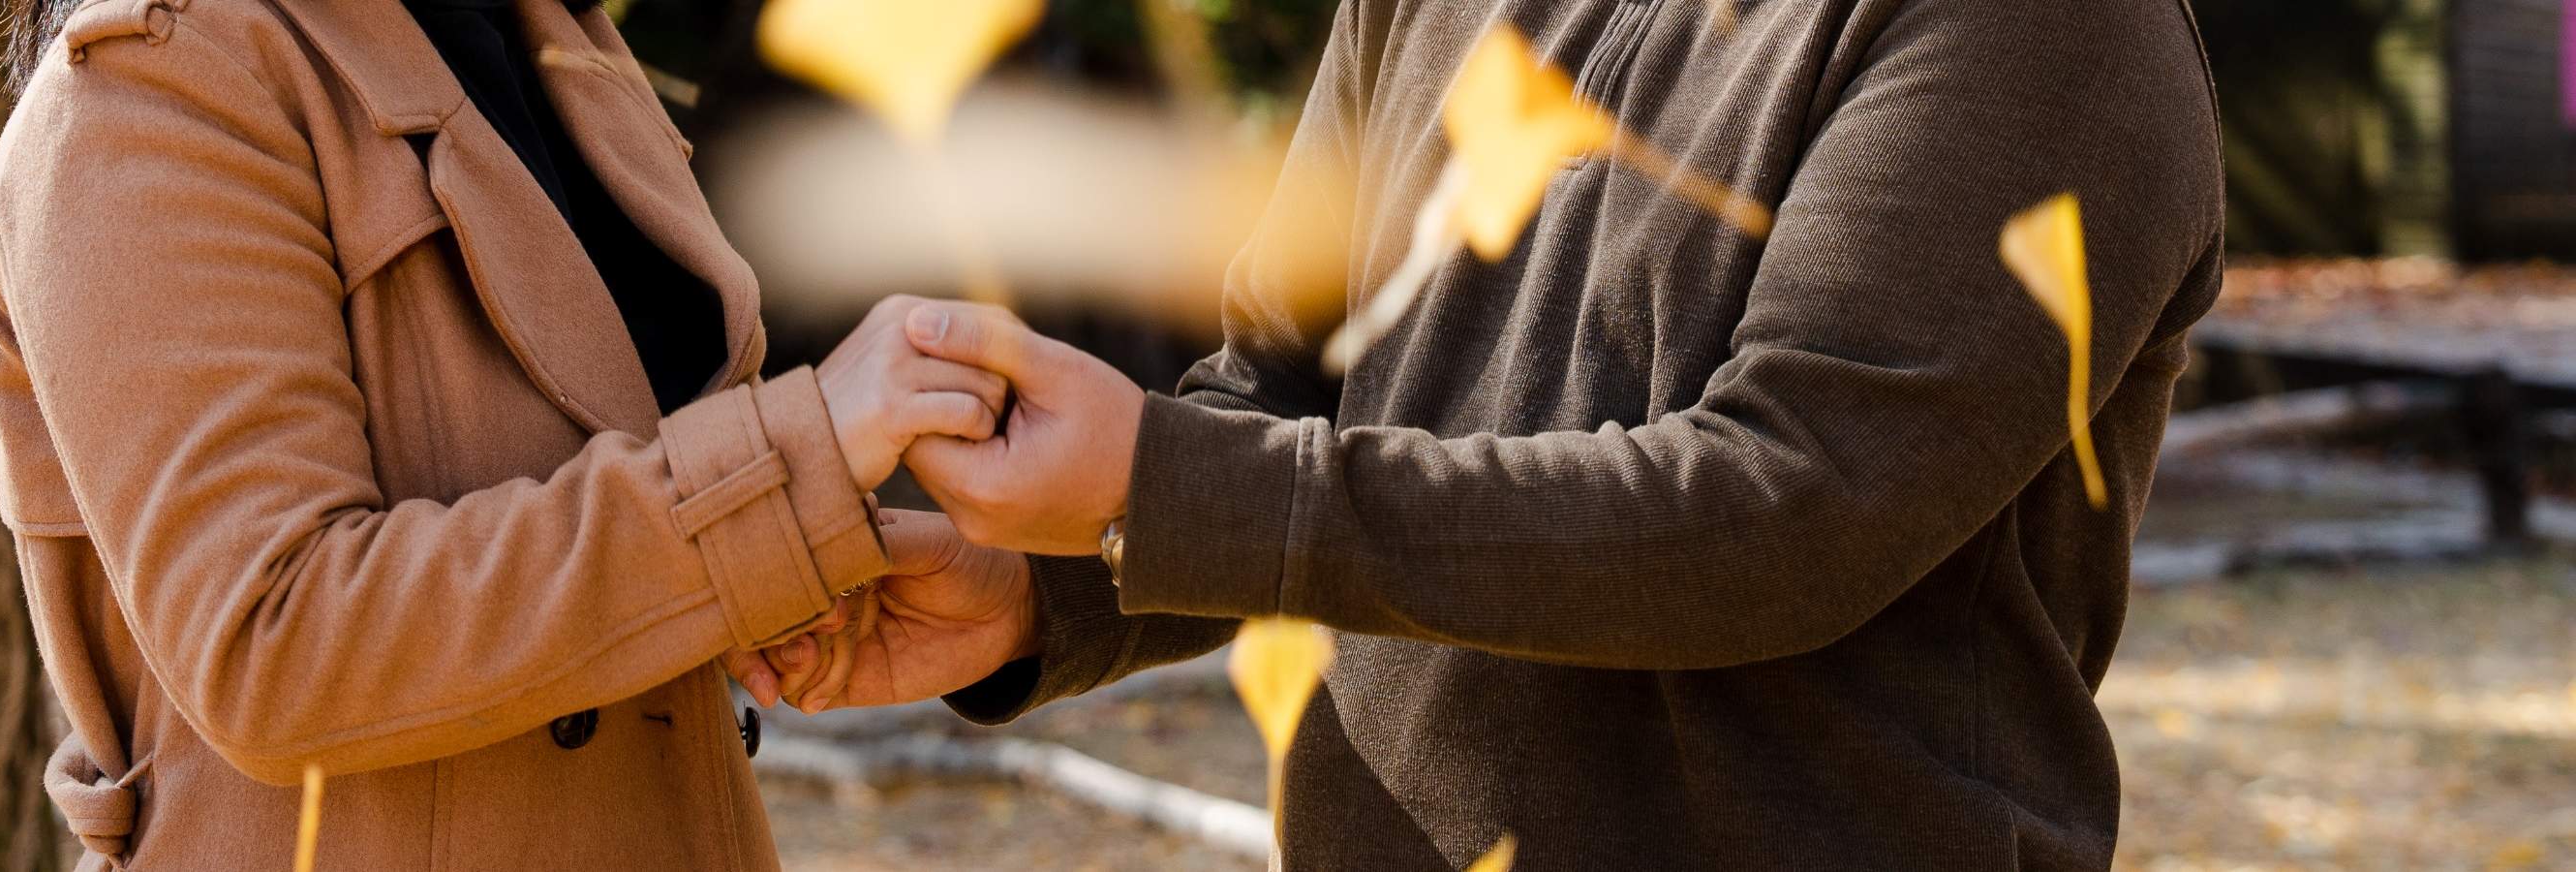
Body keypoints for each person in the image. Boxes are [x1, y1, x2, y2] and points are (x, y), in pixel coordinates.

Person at [738, 0, 2225, 868]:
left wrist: (1156, 485)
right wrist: (1047, 590)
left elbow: (1788, 511)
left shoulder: (2052, 31)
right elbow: (1288, 394)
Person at [0, 0, 1004, 867]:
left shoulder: (542, 30)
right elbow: (273, 644)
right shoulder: (147, 86)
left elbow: (614, 471)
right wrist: (788, 467)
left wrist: (782, 566)